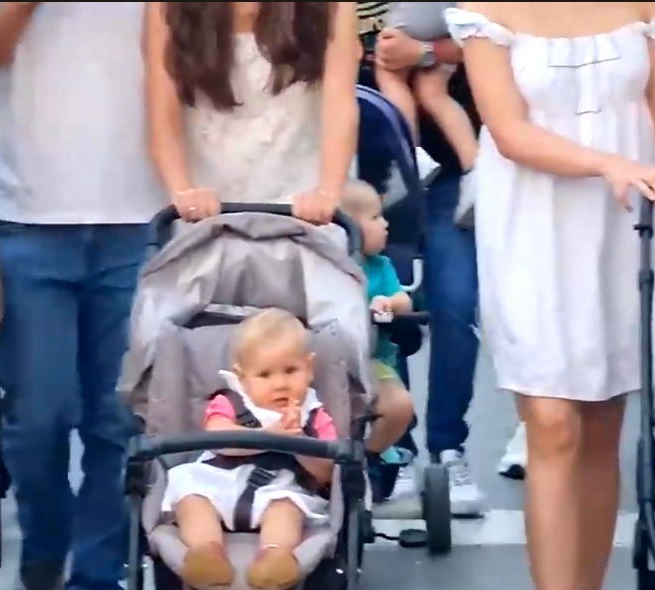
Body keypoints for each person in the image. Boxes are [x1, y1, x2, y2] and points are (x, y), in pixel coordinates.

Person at [449, 3, 655, 590]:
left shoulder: (647, 6)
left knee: (602, 424)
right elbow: (509, 130)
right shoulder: (482, 13)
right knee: (550, 422)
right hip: (529, 220)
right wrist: (604, 161)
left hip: (621, 220)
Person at [0, 4, 160, 590]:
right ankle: (45, 547)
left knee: (117, 417)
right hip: (27, 214)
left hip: (139, 215)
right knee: (38, 414)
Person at [366, 2, 487, 517]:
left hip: (454, 171)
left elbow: (509, 32)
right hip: (360, 161)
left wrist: (428, 52)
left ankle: (447, 448)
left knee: (456, 304)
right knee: (376, 305)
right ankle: (394, 450)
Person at [165, 308, 338, 590]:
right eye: (265, 374)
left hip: (278, 487)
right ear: (242, 377)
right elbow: (219, 438)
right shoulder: (231, 402)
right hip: (217, 481)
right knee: (190, 493)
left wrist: (300, 444)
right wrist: (268, 436)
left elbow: (326, 470)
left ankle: (274, 555)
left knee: (288, 507)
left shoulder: (313, 414)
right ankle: (207, 551)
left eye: (291, 370)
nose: (280, 382)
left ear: (309, 368)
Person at [144, 1, 360, 225]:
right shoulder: (168, 7)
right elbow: (162, 111)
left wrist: (327, 191)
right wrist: (182, 188)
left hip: (300, 194)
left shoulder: (333, 7)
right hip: (206, 200)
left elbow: (339, 104)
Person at [340, 180, 416, 458]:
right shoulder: (323, 263)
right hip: (327, 360)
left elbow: (405, 301)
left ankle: (369, 457)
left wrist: (388, 303)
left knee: (400, 406)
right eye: (375, 217)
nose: (385, 224)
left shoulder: (380, 266)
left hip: (373, 360)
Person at [374, 2, 478, 195]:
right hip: (450, 16)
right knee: (433, 93)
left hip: (414, 16)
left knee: (389, 69)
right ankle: (476, 168)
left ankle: (410, 156)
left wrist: (426, 50)